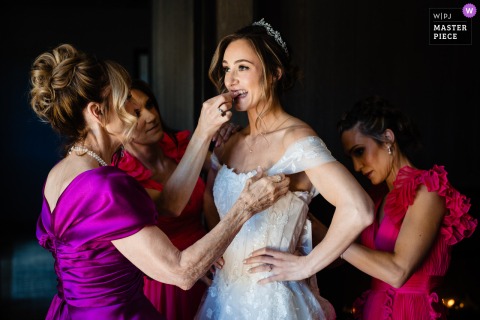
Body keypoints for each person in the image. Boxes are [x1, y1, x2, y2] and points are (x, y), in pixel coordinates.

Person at [30, 43, 290, 319]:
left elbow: (169, 204)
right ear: (97, 112)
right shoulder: (102, 184)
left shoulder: (61, 173)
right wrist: (245, 207)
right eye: (123, 99)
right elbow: (181, 272)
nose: (132, 108)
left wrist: (202, 131)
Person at [194, 19, 374, 320]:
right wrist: (217, 249)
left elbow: (359, 209)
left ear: (275, 73)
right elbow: (212, 201)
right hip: (223, 299)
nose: (230, 80)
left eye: (242, 67)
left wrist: (306, 265)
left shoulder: (297, 138)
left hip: (273, 303)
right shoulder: (230, 142)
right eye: (226, 68)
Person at [246, 95, 478, 320]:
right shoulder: (374, 199)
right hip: (375, 311)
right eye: (351, 157)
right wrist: (299, 217)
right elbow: (340, 258)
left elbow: (397, 272)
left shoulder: (428, 190)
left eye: (359, 151)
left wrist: (324, 250)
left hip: (412, 312)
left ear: (387, 138)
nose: (357, 166)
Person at [113, 79, 239, 320]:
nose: (151, 116)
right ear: (120, 124)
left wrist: (229, 142)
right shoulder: (123, 177)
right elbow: (169, 205)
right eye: (137, 113)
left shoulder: (179, 147)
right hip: (169, 276)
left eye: (150, 105)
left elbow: (225, 168)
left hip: (210, 257)